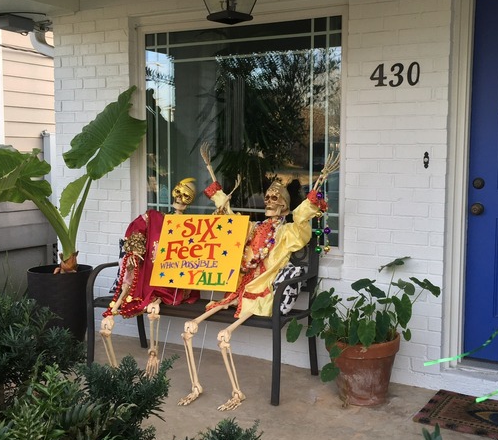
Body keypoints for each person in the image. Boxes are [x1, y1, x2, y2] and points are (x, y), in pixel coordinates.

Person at [178, 151, 339, 410]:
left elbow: (302, 220)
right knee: (189, 329)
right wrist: (210, 174)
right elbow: (229, 217)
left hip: (263, 292)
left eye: (275, 198)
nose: (269, 200)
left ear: (284, 206)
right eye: (267, 197)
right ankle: (196, 385)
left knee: (222, 336)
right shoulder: (254, 227)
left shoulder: (286, 233)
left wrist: (319, 183)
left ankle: (236, 393)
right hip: (241, 286)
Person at [100, 177, 199, 375]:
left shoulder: (192, 227)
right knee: (141, 292)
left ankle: (153, 353)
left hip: (171, 284)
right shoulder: (155, 219)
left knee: (154, 307)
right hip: (148, 275)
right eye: (178, 192)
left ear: (191, 201)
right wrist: (135, 251)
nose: (180, 198)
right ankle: (116, 312)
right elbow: (137, 228)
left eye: (186, 195)